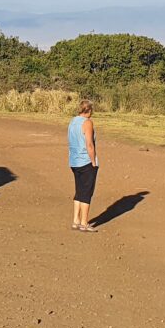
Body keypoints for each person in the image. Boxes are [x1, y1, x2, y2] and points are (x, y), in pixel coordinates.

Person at [68, 99, 100, 232]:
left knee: (79, 191)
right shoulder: (87, 123)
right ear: (89, 110)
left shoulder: (72, 121)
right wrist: (93, 162)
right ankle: (84, 223)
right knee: (86, 192)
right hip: (85, 161)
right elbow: (89, 144)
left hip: (74, 161)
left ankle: (76, 220)